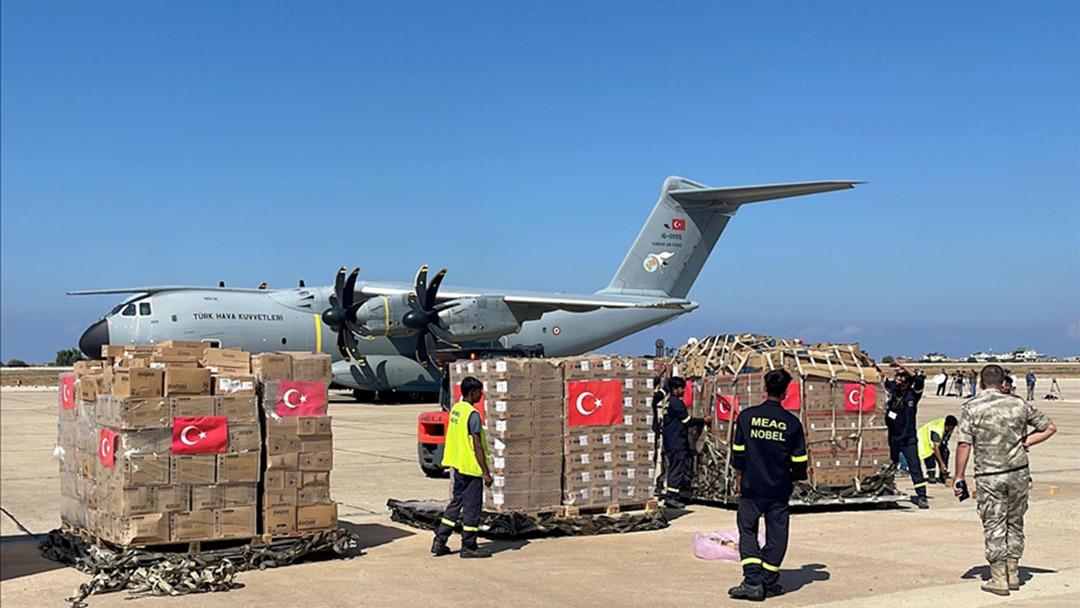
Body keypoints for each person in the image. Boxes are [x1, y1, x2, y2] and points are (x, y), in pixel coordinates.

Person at [953, 364, 1056, 595]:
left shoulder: (972, 407)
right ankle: (1013, 572)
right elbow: (1049, 427)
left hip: (990, 475)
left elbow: (964, 444)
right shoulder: (1018, 403)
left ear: (980, 383)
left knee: (994, 523)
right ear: (1003, 383)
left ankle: (998, 576)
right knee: (1015, 522)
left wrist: (958, 476)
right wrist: (1027, 441)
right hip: (1018, 472)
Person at [728, 369, 808, 601]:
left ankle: (752, 581)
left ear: (764, 388)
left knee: (748, 530)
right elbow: (799, 461)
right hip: (779, 488)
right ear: (785, 393)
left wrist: (739, 477)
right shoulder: (792, 424)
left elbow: (738, 453)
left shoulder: (746, 417)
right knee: (777, 534)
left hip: (752, 486)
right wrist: (793, 480)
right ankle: (768, 581)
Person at [432, 376, 493, 559]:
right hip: (470, 467)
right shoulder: (472, 414)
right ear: (472, 392)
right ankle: (469, 546)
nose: (481, 395)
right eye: (479, 392)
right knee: (472, 508)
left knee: (455, 503)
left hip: (457, 465)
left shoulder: (456, 410)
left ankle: (440, 540)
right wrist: (486, 472)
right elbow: (477, 445)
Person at [657, 376, 708, 508]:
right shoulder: (677, 403)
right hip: (676, 441)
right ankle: (671, 497)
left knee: (674, 467)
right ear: (675, 389)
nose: (684, 391)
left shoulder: (669, 401)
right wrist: (703, 421)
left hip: (671, 440)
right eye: (681, 388)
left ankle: (672, 494)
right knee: (677, 468)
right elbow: (687, 421)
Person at [885, 361, 929, 508]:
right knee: (889, 466)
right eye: (897, 375)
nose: (897, 378)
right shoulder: (893, 390)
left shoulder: (913, 393)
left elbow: (919, 380)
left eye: (900, 376)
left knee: (914, 466)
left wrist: (904, 367)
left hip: (908, 438)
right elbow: (879, 377)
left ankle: (921, 495)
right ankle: (887, 491)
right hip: (893, 437)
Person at [918, 415, 958, 482]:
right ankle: (931, 475)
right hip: (923, 439)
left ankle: (943, 475)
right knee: (929, 454)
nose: (952, 430)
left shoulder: (947, 427)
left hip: (934, 440)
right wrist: (941, 463)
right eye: (951, 428)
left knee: (945, 452)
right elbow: (936, 448)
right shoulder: (938, 430)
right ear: (947, 426)